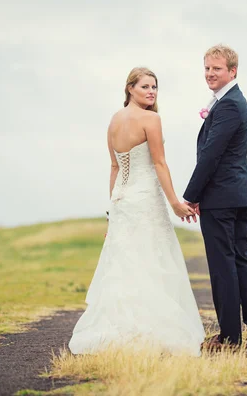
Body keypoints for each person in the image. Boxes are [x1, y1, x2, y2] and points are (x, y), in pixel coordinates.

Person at [68, 67, 205, 357]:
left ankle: (121, 328)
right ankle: (151, 330)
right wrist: (175, 203)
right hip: (144, 199)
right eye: (145, 86)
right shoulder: (151, 119)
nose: (151, 91)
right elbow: (159, 164)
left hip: (122, 200)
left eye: (155, 87)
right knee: (151, 260)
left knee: (125, 263)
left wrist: (112, 210)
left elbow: (116, 167)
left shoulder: (115, 120)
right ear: (130, 88)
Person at [183, 44, 247, 351]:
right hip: (235, 195)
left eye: (217, 68)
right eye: (207, 68)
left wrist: (191, 195)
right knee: (240, 262)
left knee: (224, 267)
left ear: (232, 71)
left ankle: (230, 339)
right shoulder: (230, 101)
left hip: (222, 198)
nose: (210, 73)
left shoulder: (231, 104)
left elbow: (211, 156)